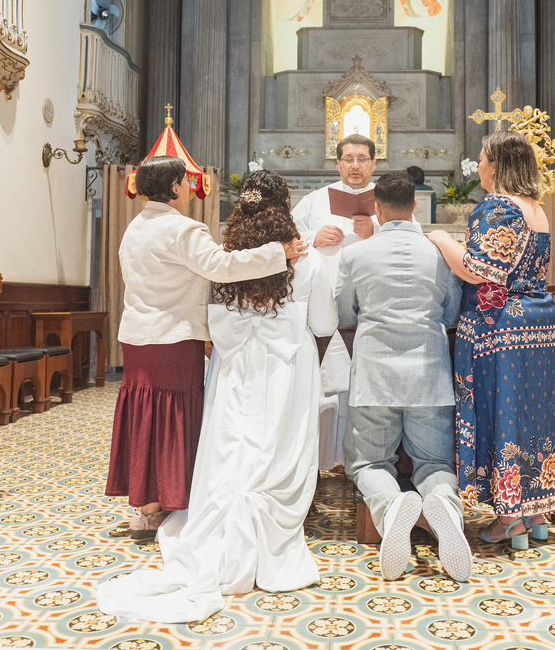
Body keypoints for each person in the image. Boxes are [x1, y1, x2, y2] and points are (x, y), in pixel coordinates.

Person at [98, 171, 337, 623]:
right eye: (185, 183)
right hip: (285, 366)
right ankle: (266, 515)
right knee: (274, 440)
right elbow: (324, 324)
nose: (190, 189)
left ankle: (160, 506)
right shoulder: (301, 258)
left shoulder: (188, 241)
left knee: (229, 440)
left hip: (231, 365)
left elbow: (217, 295)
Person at [106, 156, 307, 540]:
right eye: (185, 181)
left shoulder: (134, 227)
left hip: (136, 335)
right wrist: (278, 253)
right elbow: (221, 267)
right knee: (169, 418)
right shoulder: (184, 228)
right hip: (172, 335)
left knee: (144, 417)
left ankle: (145, 508)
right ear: (177, 187)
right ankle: (163, 503)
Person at [427, 131, 555, 550]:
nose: (477, 166)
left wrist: (441, 239)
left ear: (498, 165)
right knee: (537, 414)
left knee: (503, 410)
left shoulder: (497, 206)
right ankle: (538, 513)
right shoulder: (536, 209)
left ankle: (508, 519)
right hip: (541, 322)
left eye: (481, 159)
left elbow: (478, 269)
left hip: (502, 327)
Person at [335, 172, 471, 582]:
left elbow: (344, 315)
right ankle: (444, 506)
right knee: (433, 461)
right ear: (416, 206)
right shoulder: (437, 253)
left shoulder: (357, 255)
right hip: (429, 374)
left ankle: (391, 505)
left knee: (368, 462)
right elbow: (450, 313)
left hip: (375, 375)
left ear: (376, 208)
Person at [291, 133, 380, 470]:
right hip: (326, 310)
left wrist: (377, 232)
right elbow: (286, 237)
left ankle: (362, 460)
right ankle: (327, 458)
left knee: (363, 386)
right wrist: (313, 237)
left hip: (371, 311)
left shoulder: (387, 202)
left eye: (361, 159)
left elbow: (409, 240)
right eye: (348, 159)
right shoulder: (315, 201)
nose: (355, 165)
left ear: (373, 162)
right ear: (338, 163)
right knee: (327, 385)